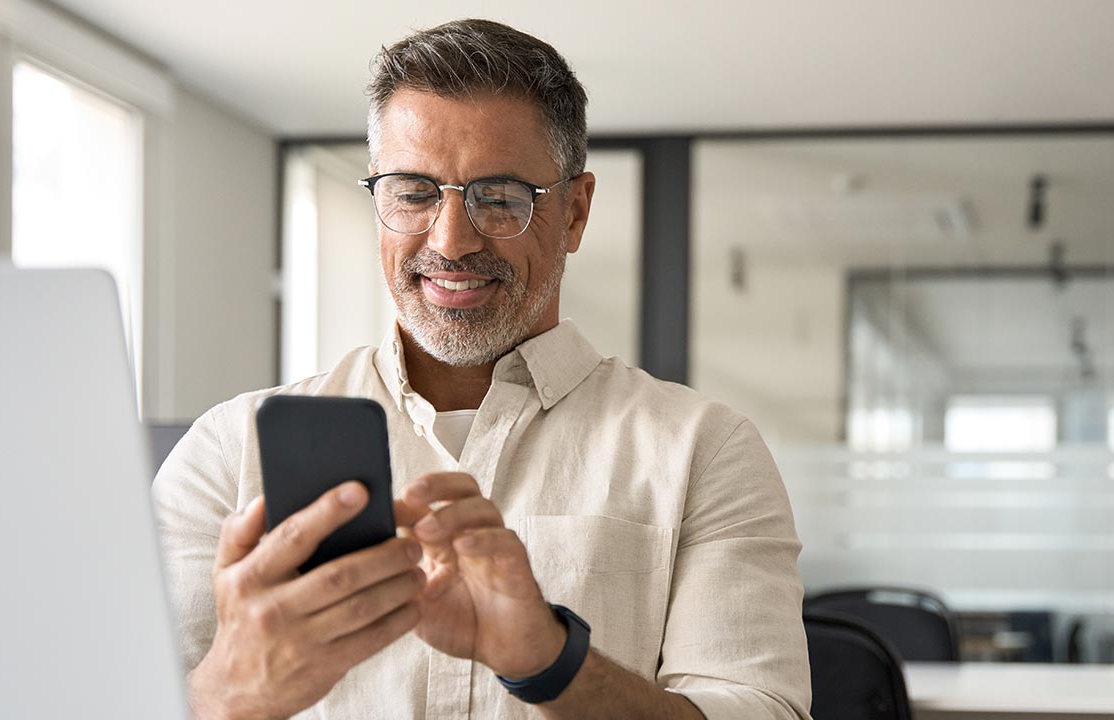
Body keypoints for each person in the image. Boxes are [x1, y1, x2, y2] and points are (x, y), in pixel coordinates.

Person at [152, 18, 811, 720]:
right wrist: (233, 689)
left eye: (499, 197)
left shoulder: (704, 452)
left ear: (575, 212)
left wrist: (551, 662)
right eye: (412, 192)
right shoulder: (228, 453)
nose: (451, 240)